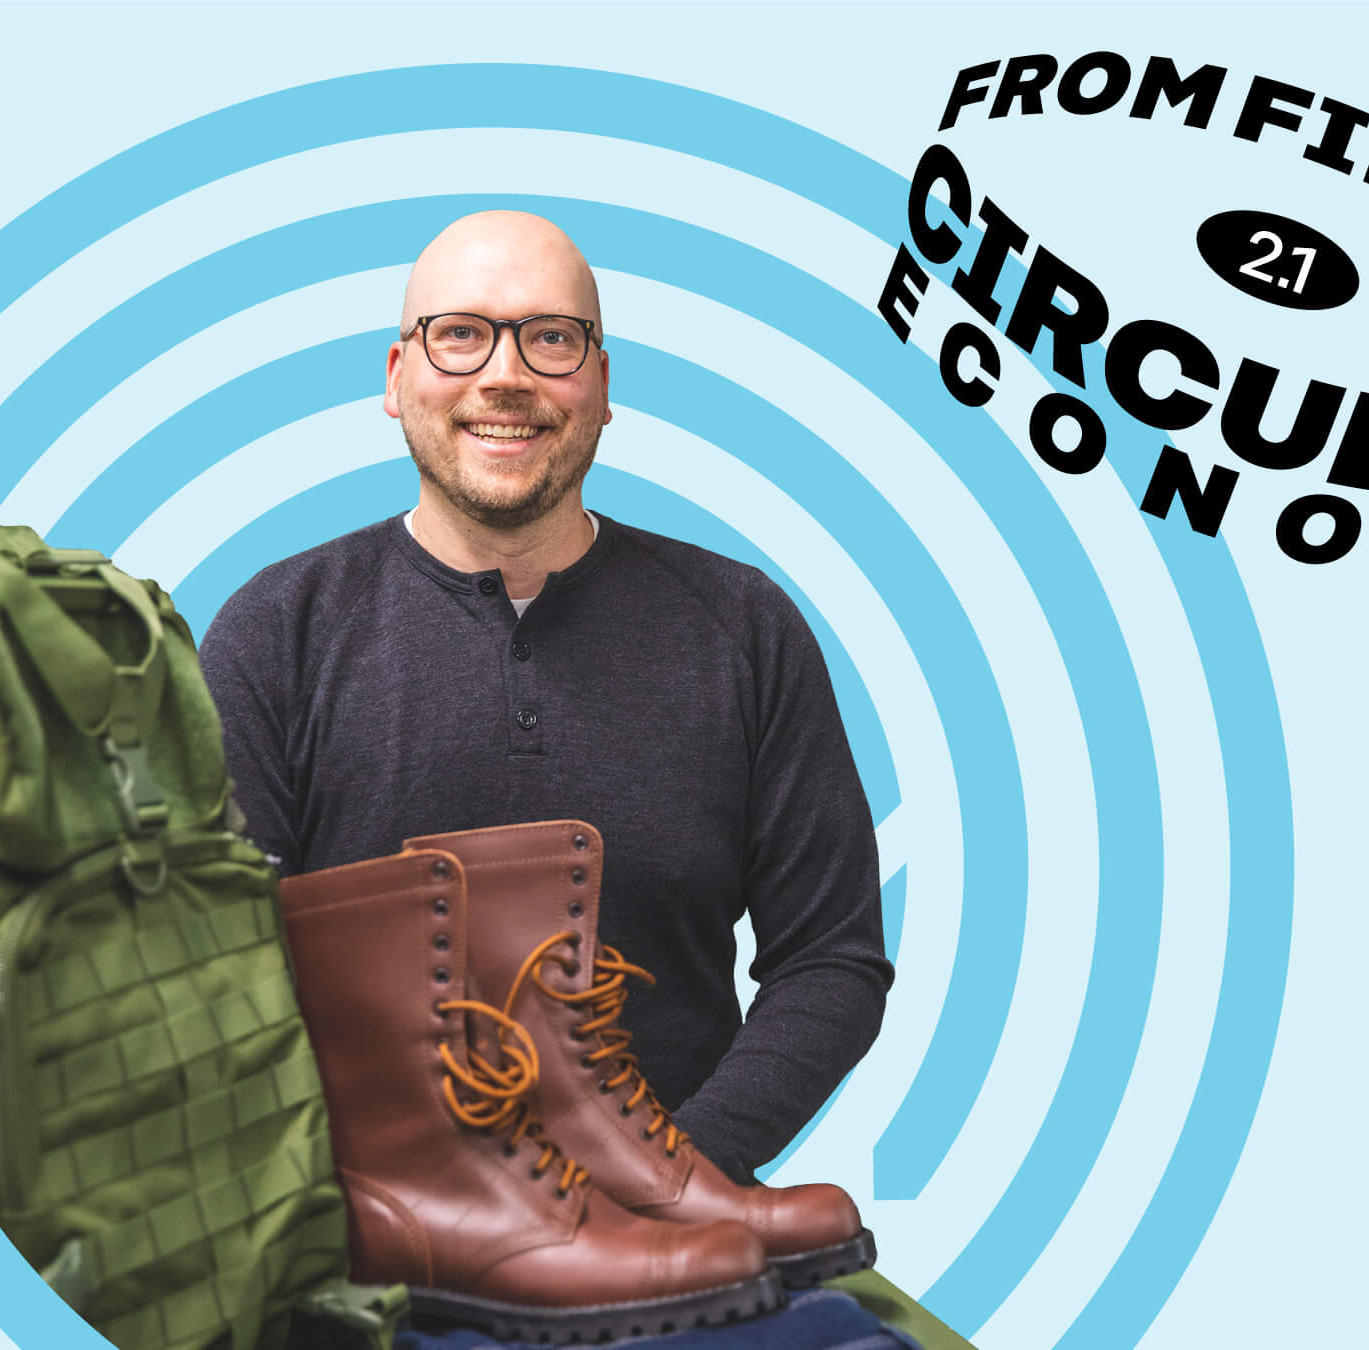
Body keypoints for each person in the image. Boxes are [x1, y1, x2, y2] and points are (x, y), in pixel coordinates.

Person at [198, 210, 891, 1181]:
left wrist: (669, 1182)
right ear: (397, 378)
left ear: (603, 386)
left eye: (551, 338)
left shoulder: (744, 627)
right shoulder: (274, 631)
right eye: (461, 334)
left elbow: (831, 961)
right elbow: (220, 985)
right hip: (368, 1253)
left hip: (674, 1231)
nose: (504, 374)